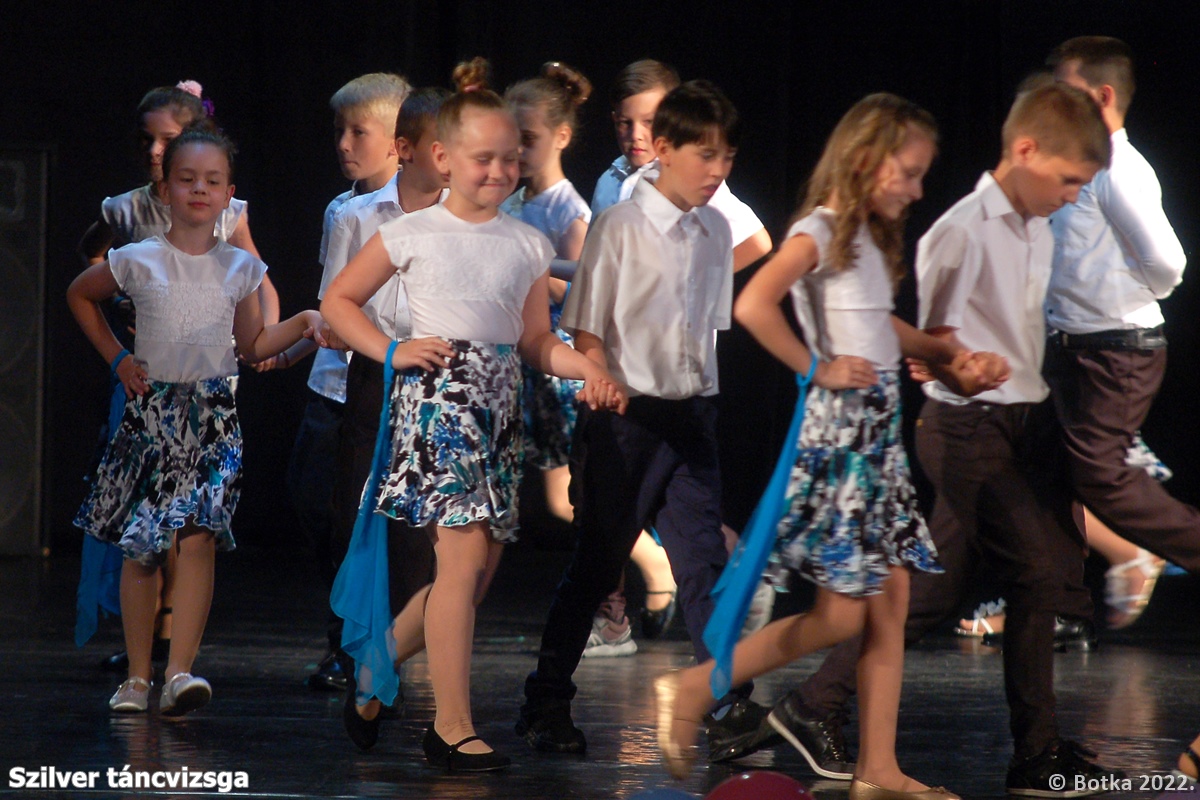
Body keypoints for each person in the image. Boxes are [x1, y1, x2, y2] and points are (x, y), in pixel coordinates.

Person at [738, 83, 1121, 797]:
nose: (1072, 196)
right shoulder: (960, 229)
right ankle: (1032, 756)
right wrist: (953, 366)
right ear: (1025, 150)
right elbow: (924, 347)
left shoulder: (1039, 228)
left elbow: (909, 331)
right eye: (1069, 180)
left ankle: (816, 709)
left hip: (1021, 424)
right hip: (966, 428)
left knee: (925, 594)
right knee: (1034, 575)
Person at [653, 93, 1005, 800]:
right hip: (841, 442)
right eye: (908, 173)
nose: (916, 190)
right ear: (866, 160)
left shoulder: (867, 236)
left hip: (877, 439)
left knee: (890, 605)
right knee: (842, 613)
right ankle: (695, 685)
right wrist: (816, 367)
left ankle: (878, 768)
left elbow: (877, 324)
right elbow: (754, 304)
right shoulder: (818, 229)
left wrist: (946, 355)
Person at [321, 58, 626, 772]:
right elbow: (338, 302)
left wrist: (589, 369)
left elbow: (535, 340)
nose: (498, 170)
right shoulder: (413, 233)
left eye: (509, 157)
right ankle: (450, 726)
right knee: (460, 562)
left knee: (472, 571)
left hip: (496, 415)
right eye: (483, 157)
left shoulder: (526, 243)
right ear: (443, 158)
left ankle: (375, 667)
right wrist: (391, 349)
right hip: (437, 407)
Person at [517, 79, 756, 756]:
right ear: (667, 148)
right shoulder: (621, 224)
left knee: (703, 563)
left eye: (727, 156)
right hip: (627, 418)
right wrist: (598, 377)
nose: (717, 170)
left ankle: (727, 700)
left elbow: (706, 327)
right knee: (597, 566)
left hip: (691, 417)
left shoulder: (714, 228)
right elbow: (586, 324)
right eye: (705, 154)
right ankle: (546, 700)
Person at [68, 128, 327, 717]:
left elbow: (253, 344)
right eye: (187, 179)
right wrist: (118, 359)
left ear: (229, 194)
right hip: (152, 414)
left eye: (212, 181)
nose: (199, 190)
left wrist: (306, 321)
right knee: (142, 548)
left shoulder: (240, 267)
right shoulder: (137, 259)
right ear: (165, 188)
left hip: (211, 417)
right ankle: (137, 677)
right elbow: (80, 295)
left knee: (200, 537)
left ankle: (180, 671)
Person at [75, 80, 279, 675]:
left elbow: (253, 281)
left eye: (166, 138)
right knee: (143, 519)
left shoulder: (228, 220)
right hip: (150, 379)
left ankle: (172, 648)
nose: (155, 150)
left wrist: (274, 332)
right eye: (149, 141)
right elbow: (90, 266)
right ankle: (143, 656)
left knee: (194, 524)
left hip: (209, 386)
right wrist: (125, 330)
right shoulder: (128, 212)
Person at [302, 86, 450, 717]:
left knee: (417, 528)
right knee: (352, 517)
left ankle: (395, 653)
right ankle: (351, 646)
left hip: (434, 383)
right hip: (368, 376)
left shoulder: (462, 219)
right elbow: (334, 310)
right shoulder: (357, 216)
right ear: (407, 148)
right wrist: (383, 347)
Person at [1041, 36, 1198, 625]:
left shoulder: (1117, 168)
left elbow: (1168, 263)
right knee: (1047, 473)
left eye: (1068, 90)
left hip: (1118, 347)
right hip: (1072, 345)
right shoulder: (1079, 163)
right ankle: (1058, 601)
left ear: (1103, 96)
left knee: (1101, 474)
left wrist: (1129, 296)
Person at [281, 72, 411, 693]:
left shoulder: (421, 209)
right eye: (339, 130)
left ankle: (370, 645)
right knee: (317, 504)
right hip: (332, 382)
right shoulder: (343, 210)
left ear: (397, 141)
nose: (343, 143)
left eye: (359, 131)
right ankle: (344, 633)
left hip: (388, 382)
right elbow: (330, 303)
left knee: (378, 519)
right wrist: (293, 346)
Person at [502, 61, 593, 543]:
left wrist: (530, 265)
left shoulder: (568, 209)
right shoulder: (514, 200)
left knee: (566, 497)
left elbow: (579, 292)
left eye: (528, 139)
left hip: (552, 362)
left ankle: (654, 562)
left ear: (561, 137)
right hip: (516, 359)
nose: (518, 150)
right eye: (512, 138)